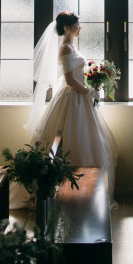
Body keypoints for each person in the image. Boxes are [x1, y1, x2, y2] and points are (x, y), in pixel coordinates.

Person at [25, 11, 118, 192]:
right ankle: (71, 190)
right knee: (71, 138)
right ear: (66, 28)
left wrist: (93, 81)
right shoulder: (65, 48)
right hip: (72, 98)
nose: (79, 27)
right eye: (77, 24)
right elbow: (69, 80)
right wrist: (89, 92)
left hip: (79, 97)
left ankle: (87, 190)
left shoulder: (71, 47)